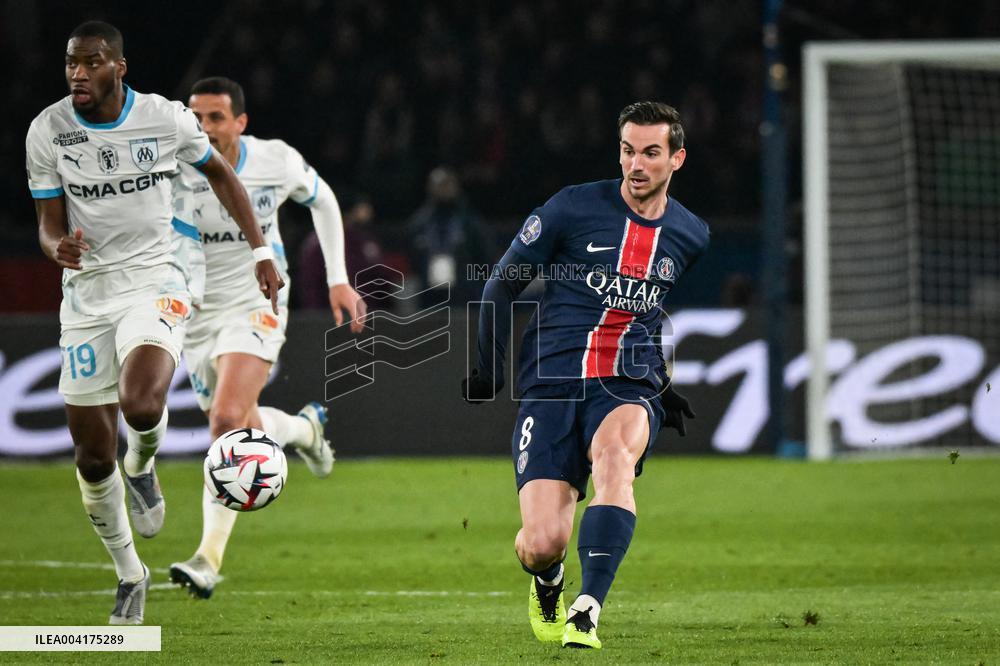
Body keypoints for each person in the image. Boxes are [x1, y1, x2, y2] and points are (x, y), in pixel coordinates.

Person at [25, 22, 283, 625]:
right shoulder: (48, 131)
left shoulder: (165, 119)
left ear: (119, 66)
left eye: (91, 63)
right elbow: (46, 220)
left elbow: (221, 173)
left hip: (156, 277)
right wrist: (55, 245)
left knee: (140, 405)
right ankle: (129, 574)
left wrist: (260, 251)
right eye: (71, 64)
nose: (77, 75)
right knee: (91, 455)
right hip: (87, 293)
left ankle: (140, 467)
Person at [463, 102, 709, 649]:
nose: (636, 164)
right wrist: (487, 370)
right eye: (627, 150)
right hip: (550, 382)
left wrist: (660, 386)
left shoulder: (690, 235)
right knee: (542, 541)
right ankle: (549, 581)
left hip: (624, 382)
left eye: (650, 152)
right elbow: (500, 284)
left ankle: (587, 608)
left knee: (616, 461)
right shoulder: (572, 208)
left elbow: (645, 312)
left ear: (677, 159)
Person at [166, 77, 366, 599]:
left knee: (226, 421)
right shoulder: (174, 162)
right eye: (196, 117)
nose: (203, 127)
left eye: (214, 118)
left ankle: (207, 558)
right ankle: (303, 431)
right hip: (197, 313)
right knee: (247, 423)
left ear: (240, 123)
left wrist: (337, 277)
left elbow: (322, 201)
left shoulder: (273, 160)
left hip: (259, 300)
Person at [407, 166, 493, 307]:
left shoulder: (469, 222)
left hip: (463, 294)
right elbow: (411, 256)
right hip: (428, 294)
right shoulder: (419, 223)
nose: (444, 190)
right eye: (439, 185)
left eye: (447, 184)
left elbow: (484, 257)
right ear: (430, 188)